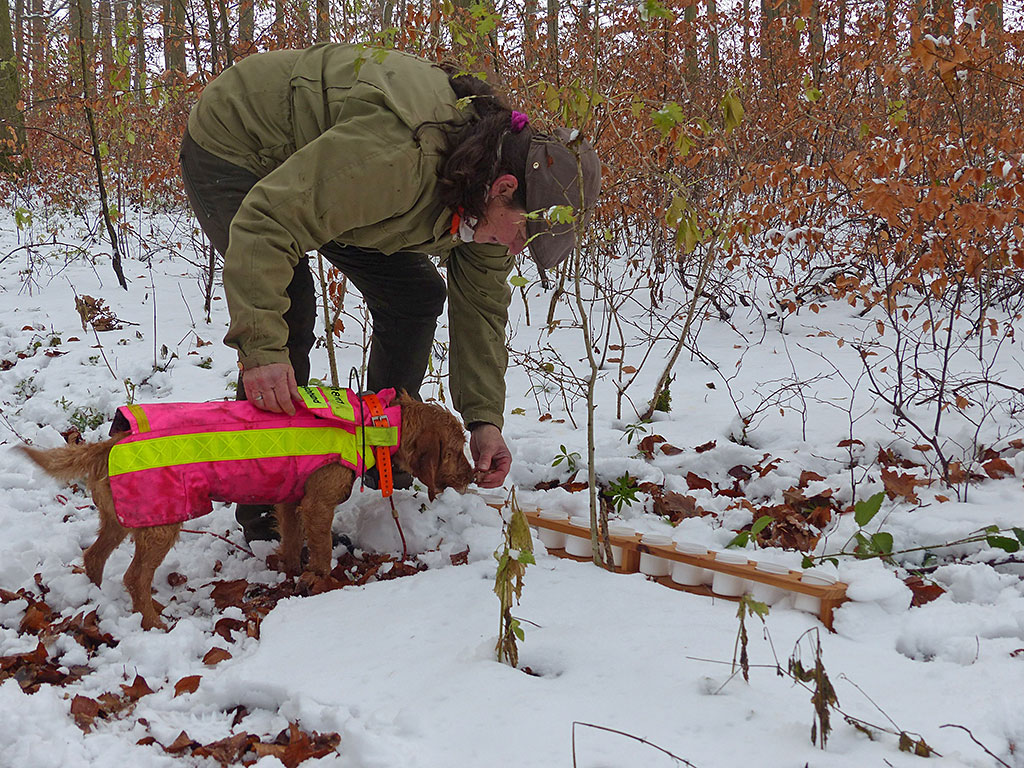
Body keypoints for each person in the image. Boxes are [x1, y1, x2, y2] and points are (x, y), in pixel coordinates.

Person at [178, 42, 601, 542]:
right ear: (504, 188)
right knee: (289, 308)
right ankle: (272, 508)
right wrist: (263, 350)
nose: (516, 248)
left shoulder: (487, 196)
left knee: (413, 297)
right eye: (523, 234)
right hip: (241, 144)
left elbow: (482, 308)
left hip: (328, 175)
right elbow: (268, 221)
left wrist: (484, 420)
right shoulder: (402, 158)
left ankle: (388, 456)